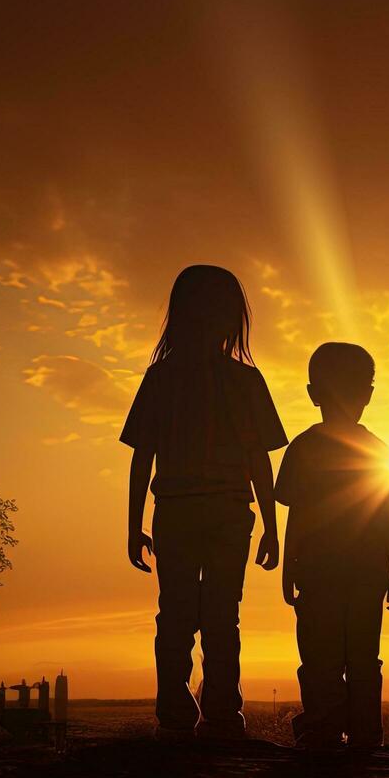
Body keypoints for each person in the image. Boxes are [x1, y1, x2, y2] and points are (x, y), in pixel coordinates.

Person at [121, 264, 287, 740]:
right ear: (231, 318)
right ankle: (221, 713)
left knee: (175, 614)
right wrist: (272, 528)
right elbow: (260, 463)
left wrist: (133, 526)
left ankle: (177, 712)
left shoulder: (162, 378)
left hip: (176, 512)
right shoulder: (245, 381)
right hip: (228, 514)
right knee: (220, 614)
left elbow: (141, 460)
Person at [276, 342, 389, 749]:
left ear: (313, 392)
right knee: (360, 659)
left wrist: (289, 563)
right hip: (362, 572)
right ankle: (361, 734)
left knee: (321, 660)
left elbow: (296, 514)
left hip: (322, 572)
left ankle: (326, 731)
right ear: (367, 393)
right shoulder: (376, 449)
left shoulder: (304, 448)